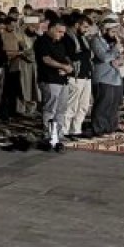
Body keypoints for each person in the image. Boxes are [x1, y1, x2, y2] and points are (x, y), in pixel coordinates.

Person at [34, 16, 73, 148]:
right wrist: (63, 67)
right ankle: (49, 134)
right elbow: (46, 60)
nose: (61, 35)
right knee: (50, 108)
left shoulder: (59, 43)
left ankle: (59, 134)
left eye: (63, 32)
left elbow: (65, 59)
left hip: (62, 80)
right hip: (49, 79)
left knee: (61, 109)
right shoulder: (42, 41)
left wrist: (68, 68)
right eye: (59, 31)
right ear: (50, 29)